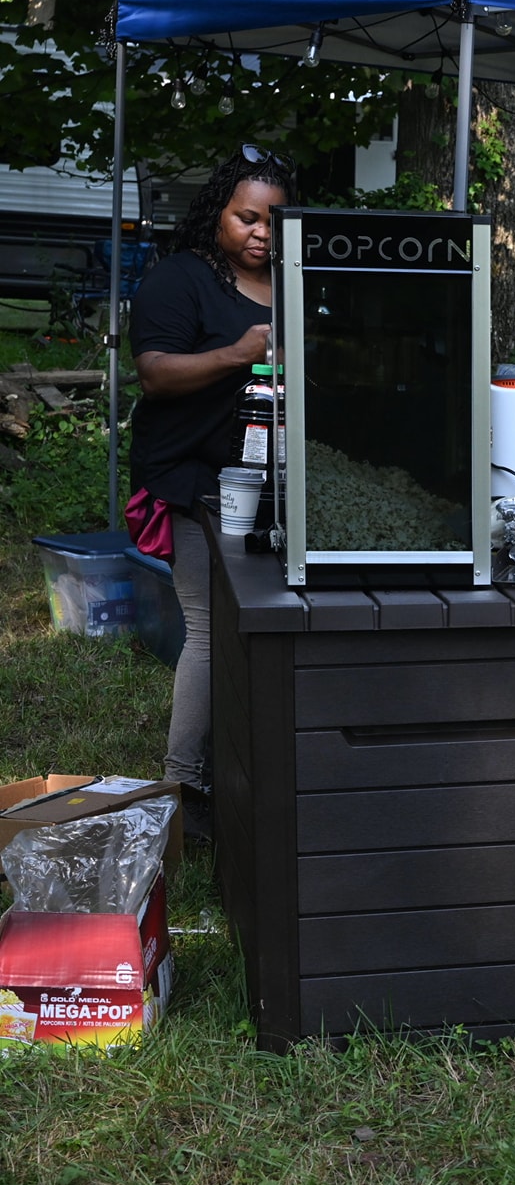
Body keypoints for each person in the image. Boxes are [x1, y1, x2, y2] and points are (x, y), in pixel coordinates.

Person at [129, 147, 292, 838]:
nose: (260, 232)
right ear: (218, 214)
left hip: (278, 483)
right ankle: (184, 785)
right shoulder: (182, 279)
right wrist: (238, 353)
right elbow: (154, 373)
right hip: (193, 479)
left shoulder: (293, 281)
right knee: (211, 626)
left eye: (273, 221)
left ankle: (250, 767)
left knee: (265, 623)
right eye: (246, 218)